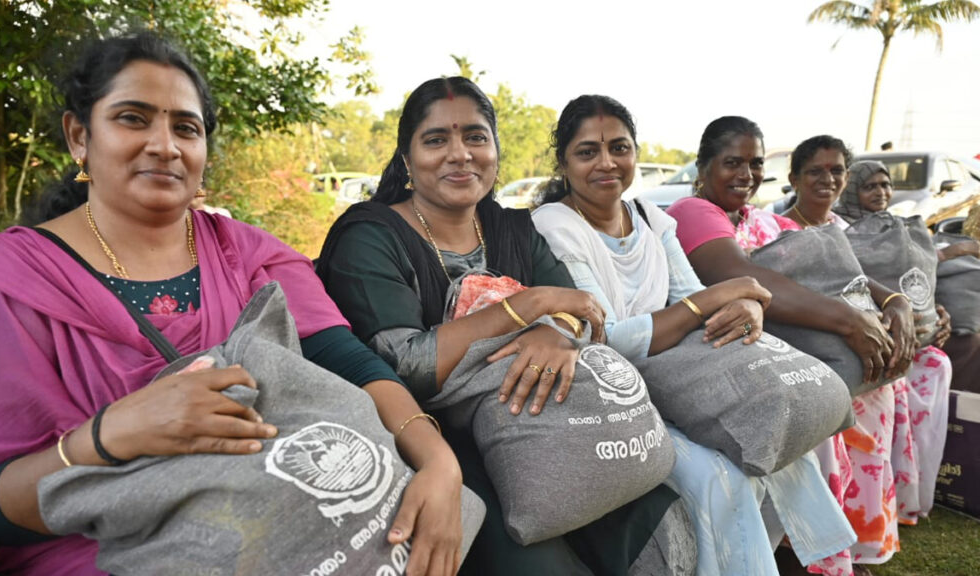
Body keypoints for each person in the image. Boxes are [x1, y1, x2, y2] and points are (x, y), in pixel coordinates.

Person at [0, 34, 464, 576]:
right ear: (79, 136)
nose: (165, 146)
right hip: (103, 552)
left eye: (186, 127)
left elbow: (352, 364)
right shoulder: (8, 282)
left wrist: (437, 462)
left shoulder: (247, 255)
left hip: (291, 517)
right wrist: (108, 437)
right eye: (133, 118)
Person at [316, 77, 689, 575]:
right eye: (436, 140)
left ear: (494, 149)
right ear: (406, 158)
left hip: (536, 418)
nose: (460, 154)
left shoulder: (513, 228)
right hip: (426, 436)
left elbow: (582, 315)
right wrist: (527, 307)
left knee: (647, 513)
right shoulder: (370, 236)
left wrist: (552, 333)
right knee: (531, 558)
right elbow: (406, 367)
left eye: (475, 137)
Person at [531, 95, 855, 576]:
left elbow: (693, 295)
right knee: (717, 478)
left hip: (674, 379)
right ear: (564, 162)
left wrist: (742, 302)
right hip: (611, 397)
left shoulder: (650, 218)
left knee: (784, 450)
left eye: (619, 148)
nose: (606, 163)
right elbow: (608, 336)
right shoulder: (553, 226)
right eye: (587, 152)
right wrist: (715, 299)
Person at [664, 122, 917, 575]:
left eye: (756, 162)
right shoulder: (693, 211)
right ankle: (806, 556)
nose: (747, 173)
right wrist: (849, 320)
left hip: (790, 347)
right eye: (733, 162)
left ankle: (847, 544)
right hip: (732, 354)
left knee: (875, 388)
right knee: (811, 406)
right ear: (703, 169)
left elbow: (837, 269)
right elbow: (740, 274)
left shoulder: (763, 220)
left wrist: (892, 300)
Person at [831, 158, 955, 524]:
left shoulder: (898, 227)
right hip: (868, 339)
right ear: (852, 189)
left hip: (912, 339)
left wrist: (937, 315)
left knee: (937, 364)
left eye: (886, 185)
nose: (881, 193)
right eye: (871, 186)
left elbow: (917, 279)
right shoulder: (839, 228)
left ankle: (915, 493)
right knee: (895, 381)